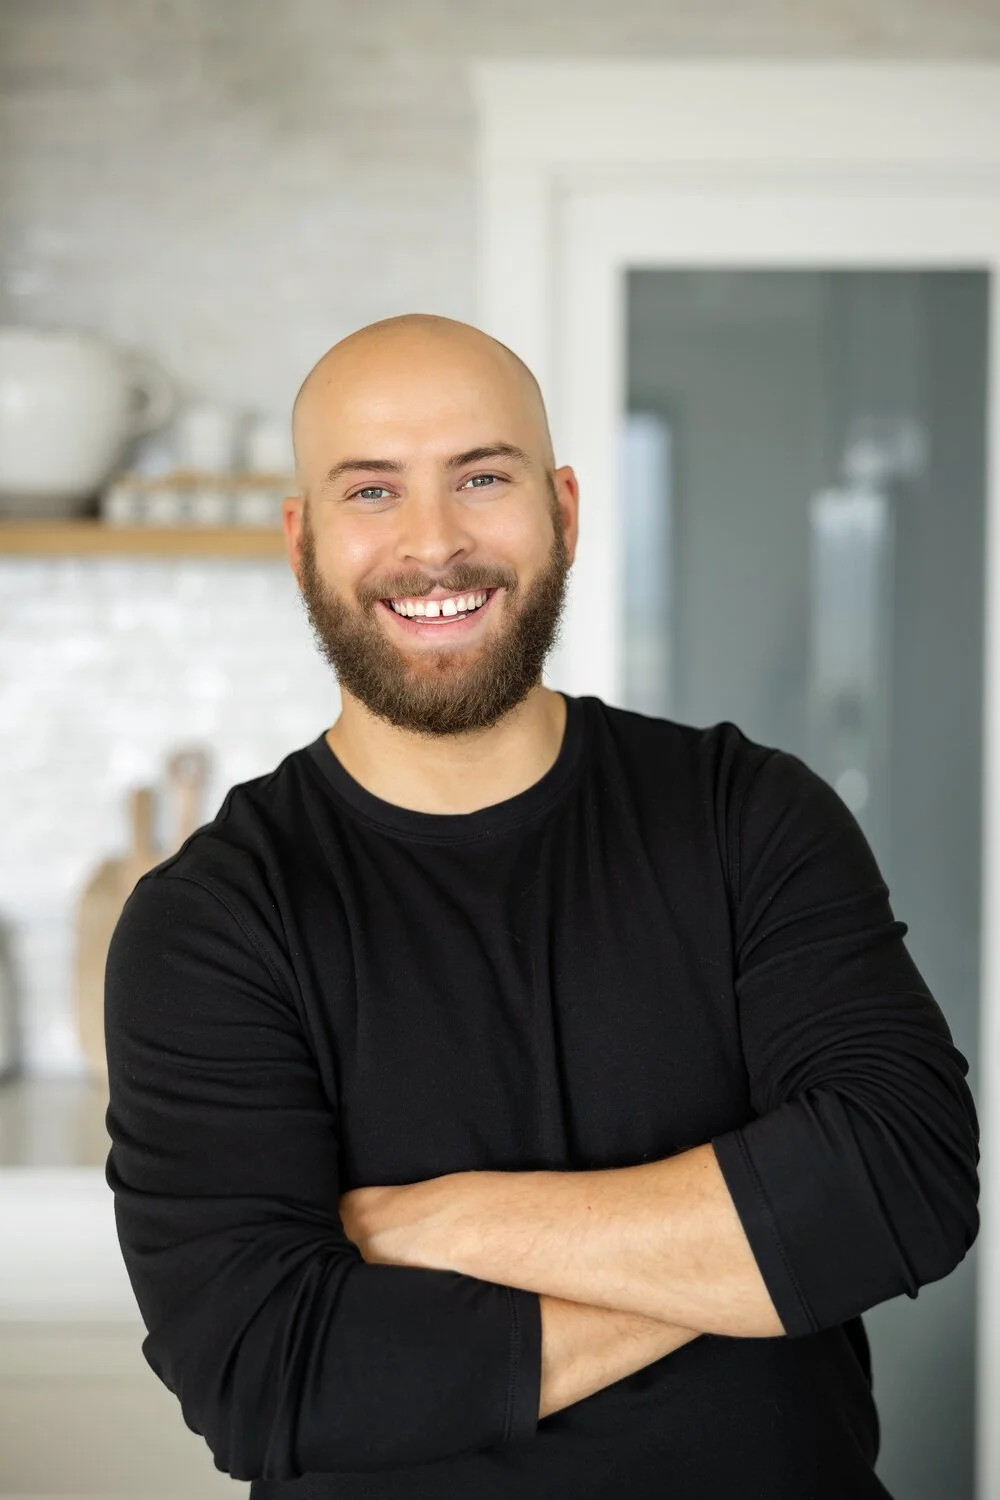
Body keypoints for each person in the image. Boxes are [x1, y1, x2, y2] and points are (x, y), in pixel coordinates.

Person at [103, 313, 980, 1500]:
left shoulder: (747, 813)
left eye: (481, 477)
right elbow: (275, 1376)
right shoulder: (212, 921)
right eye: (372, 492)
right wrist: (759, 1255)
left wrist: (447, 1224)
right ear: (301, 540)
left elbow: (905, 1180)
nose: (433, 543)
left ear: (563, 509)